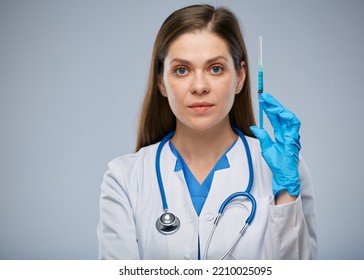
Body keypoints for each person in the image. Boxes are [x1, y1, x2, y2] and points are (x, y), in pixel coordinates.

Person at [97, 4, 317, 260]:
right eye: (182, 70)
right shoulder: (124, 178)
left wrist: (287, 197)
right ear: (161, 82)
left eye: (215, 69)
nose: (199, 86)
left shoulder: (284, 170)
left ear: (241, 77)